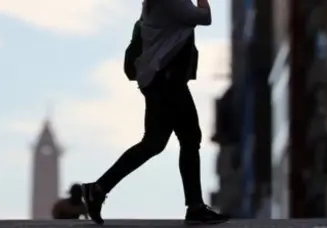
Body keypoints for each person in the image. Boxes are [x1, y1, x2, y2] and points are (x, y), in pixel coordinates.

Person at [81, 0, 229, 225]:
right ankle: (195, 208)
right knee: (188, 139)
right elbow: (204, 17)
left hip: (161, 81)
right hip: (168, 81)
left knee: (154, 143)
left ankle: (98, 189)